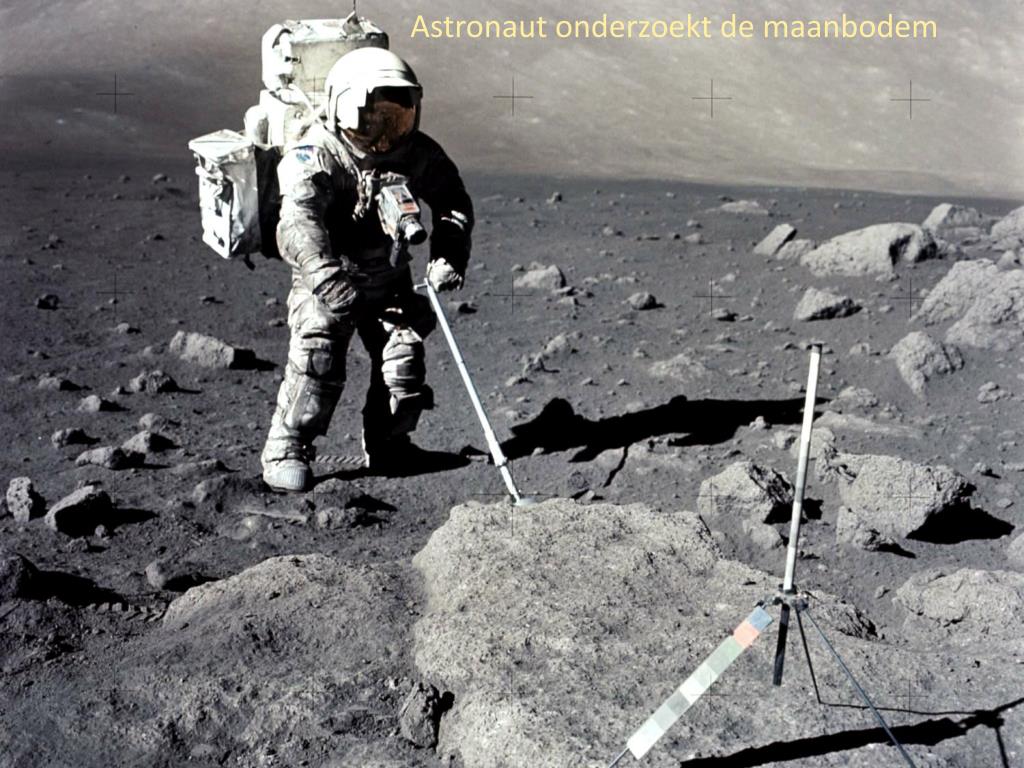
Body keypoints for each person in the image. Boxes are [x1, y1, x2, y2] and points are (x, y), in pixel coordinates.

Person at [261, 46, 474, 492]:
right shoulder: (317, 153)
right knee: (318, 358)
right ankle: (286, 448)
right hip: (328, 279)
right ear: (341, 109)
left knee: (403, 359)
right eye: (370, 120)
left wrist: (448, 255)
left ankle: (390, 443)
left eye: (396, 119)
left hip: (389, 279)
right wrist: (327, 278)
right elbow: (298, 223)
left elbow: (452, 202)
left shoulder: (417, 154)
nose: (384, 135)